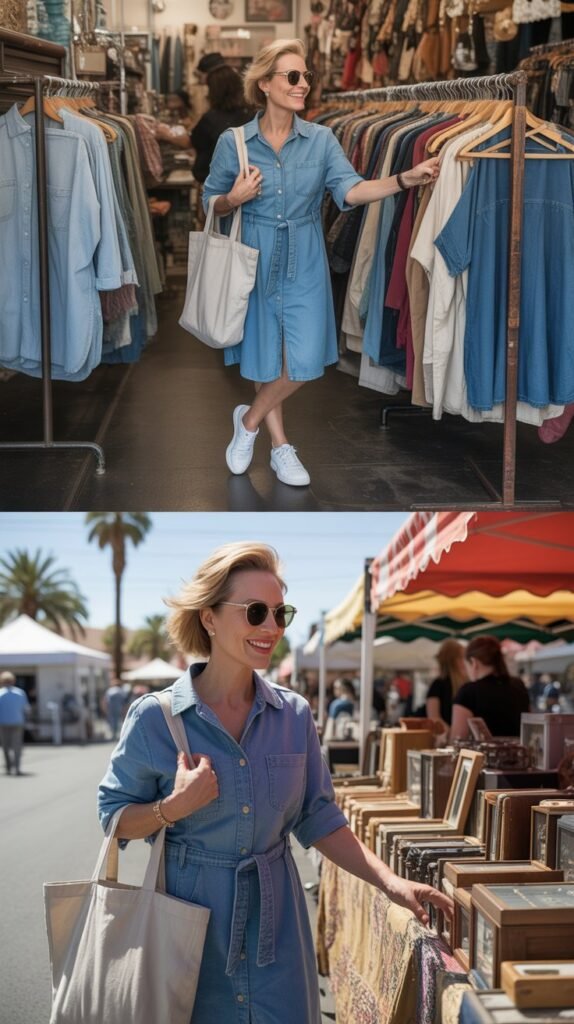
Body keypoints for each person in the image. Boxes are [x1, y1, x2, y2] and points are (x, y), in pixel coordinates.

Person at [98, 541, 452, 1023]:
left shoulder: (295, 714)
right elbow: (114, 820)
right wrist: (172, 808)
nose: (271, 628)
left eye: (280, 614)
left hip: (278, 931)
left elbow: (318, 817)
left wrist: (391, 883)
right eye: (256, 612)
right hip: (188, 934)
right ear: (209, 618)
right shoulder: (155, 718)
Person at [202, 38, 440, 488]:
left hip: (305, 255)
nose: (303, 84)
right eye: (292, 76)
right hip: (253, 256)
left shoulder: (322, 139)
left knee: (305, 357)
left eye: (306, 76)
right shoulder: (233, 143)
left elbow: (350, 190)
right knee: (265, 359)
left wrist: (404, 179)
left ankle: (248, 422)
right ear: (266, 84)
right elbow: (209, 200)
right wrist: (232, 199)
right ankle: (281, 447)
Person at [449, 635, 530, 740]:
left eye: (466, 666)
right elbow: (529, 726)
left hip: (484, 756)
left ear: (473, 663)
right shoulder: (519, 685)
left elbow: (457, 739)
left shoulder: (468, 692)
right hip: (519, 755)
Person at [190, 65, 254, 184]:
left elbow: (195, 141)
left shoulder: (210, 119)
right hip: (247, 183)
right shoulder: (252, 116)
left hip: (215, 184)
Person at [426, 639, 468, 732]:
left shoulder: (467, 684)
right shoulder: (438, 684)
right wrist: (450, 732)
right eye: (461, 658)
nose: (464, 662)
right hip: (447, 739)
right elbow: (434, 718)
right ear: (452, 660)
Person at [0, 670, 30, 775]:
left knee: (5, 746)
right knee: (17, 746)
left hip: (3, 723)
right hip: (17, 722)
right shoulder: (20, 693)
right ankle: (16, 768)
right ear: (13, 681)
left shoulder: (0, 693)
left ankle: (8, 767)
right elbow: (26, 709)